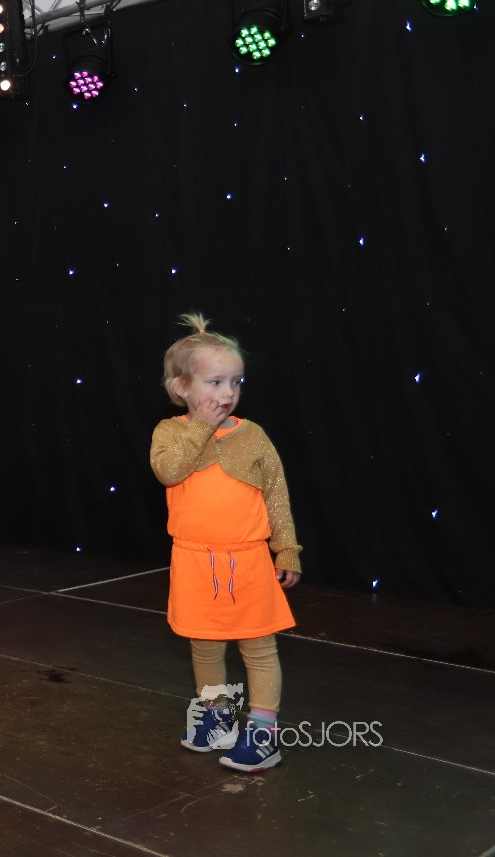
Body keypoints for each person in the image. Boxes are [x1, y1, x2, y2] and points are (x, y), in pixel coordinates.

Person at [150, 313, 302, 772]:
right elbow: (169, 472)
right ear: (181, 387)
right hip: (195, 562)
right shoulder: (170, 432)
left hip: (248, 560)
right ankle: (217, 721)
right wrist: (200, 426)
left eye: (235, 381)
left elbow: (277, 494)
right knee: (205, 646)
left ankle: (263, 736)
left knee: (259, 649)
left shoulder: (252, 435)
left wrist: (287, 548)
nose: (228, 392)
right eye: (215, 382)